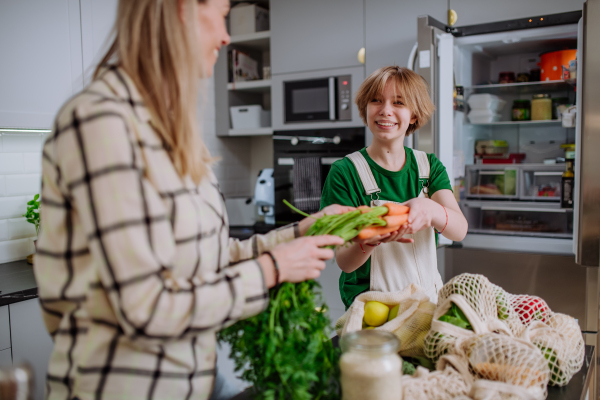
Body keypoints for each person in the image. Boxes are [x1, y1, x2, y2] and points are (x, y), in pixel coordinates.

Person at [33, 1, 350, 399]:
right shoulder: (102, 122)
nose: (225, 35)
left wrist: (303, 231)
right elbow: (145, 308)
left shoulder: (171, 127)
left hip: (193, 379)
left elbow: (209, 258)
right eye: (219, 15)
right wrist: (272, 269)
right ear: (181, 10)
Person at [320, 66, 468, 309]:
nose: (385, 110)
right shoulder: (345, 172)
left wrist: (430, 209)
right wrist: (369, 239)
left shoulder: (428, 167)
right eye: (376, 100)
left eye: (398, 103)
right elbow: (344, 262)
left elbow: (459, 229)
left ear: (413, 115)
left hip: (427, 304)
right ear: (365, 109)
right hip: (372, 311)